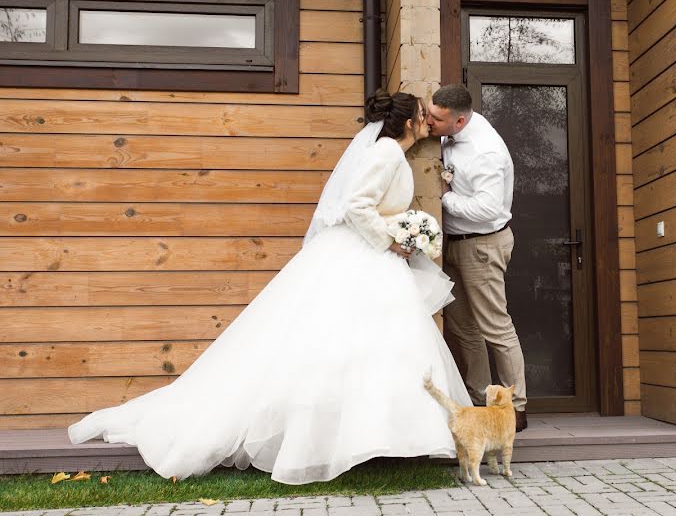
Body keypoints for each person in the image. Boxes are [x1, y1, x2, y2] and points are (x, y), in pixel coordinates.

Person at [68, 89, 472, 485]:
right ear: (406, 121)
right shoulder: (385, 154)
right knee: (347, 345)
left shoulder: (392, 154)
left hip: (373, 258)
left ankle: (375, 436)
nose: (427, 122)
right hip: (363, 256)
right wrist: (391, 238)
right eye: (422, 114)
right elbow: (356, 205)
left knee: (373, 348)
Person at [425, 84, 528, 432]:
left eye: (436, 118)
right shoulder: (450, 132)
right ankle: (479, 398)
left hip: (482, 244)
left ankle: (516, 409)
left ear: (460, 120)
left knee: (495, 326)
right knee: (464, 326)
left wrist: (444, 197)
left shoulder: (484, 152)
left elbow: (488, 209)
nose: (429, 121)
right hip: (454, 241)